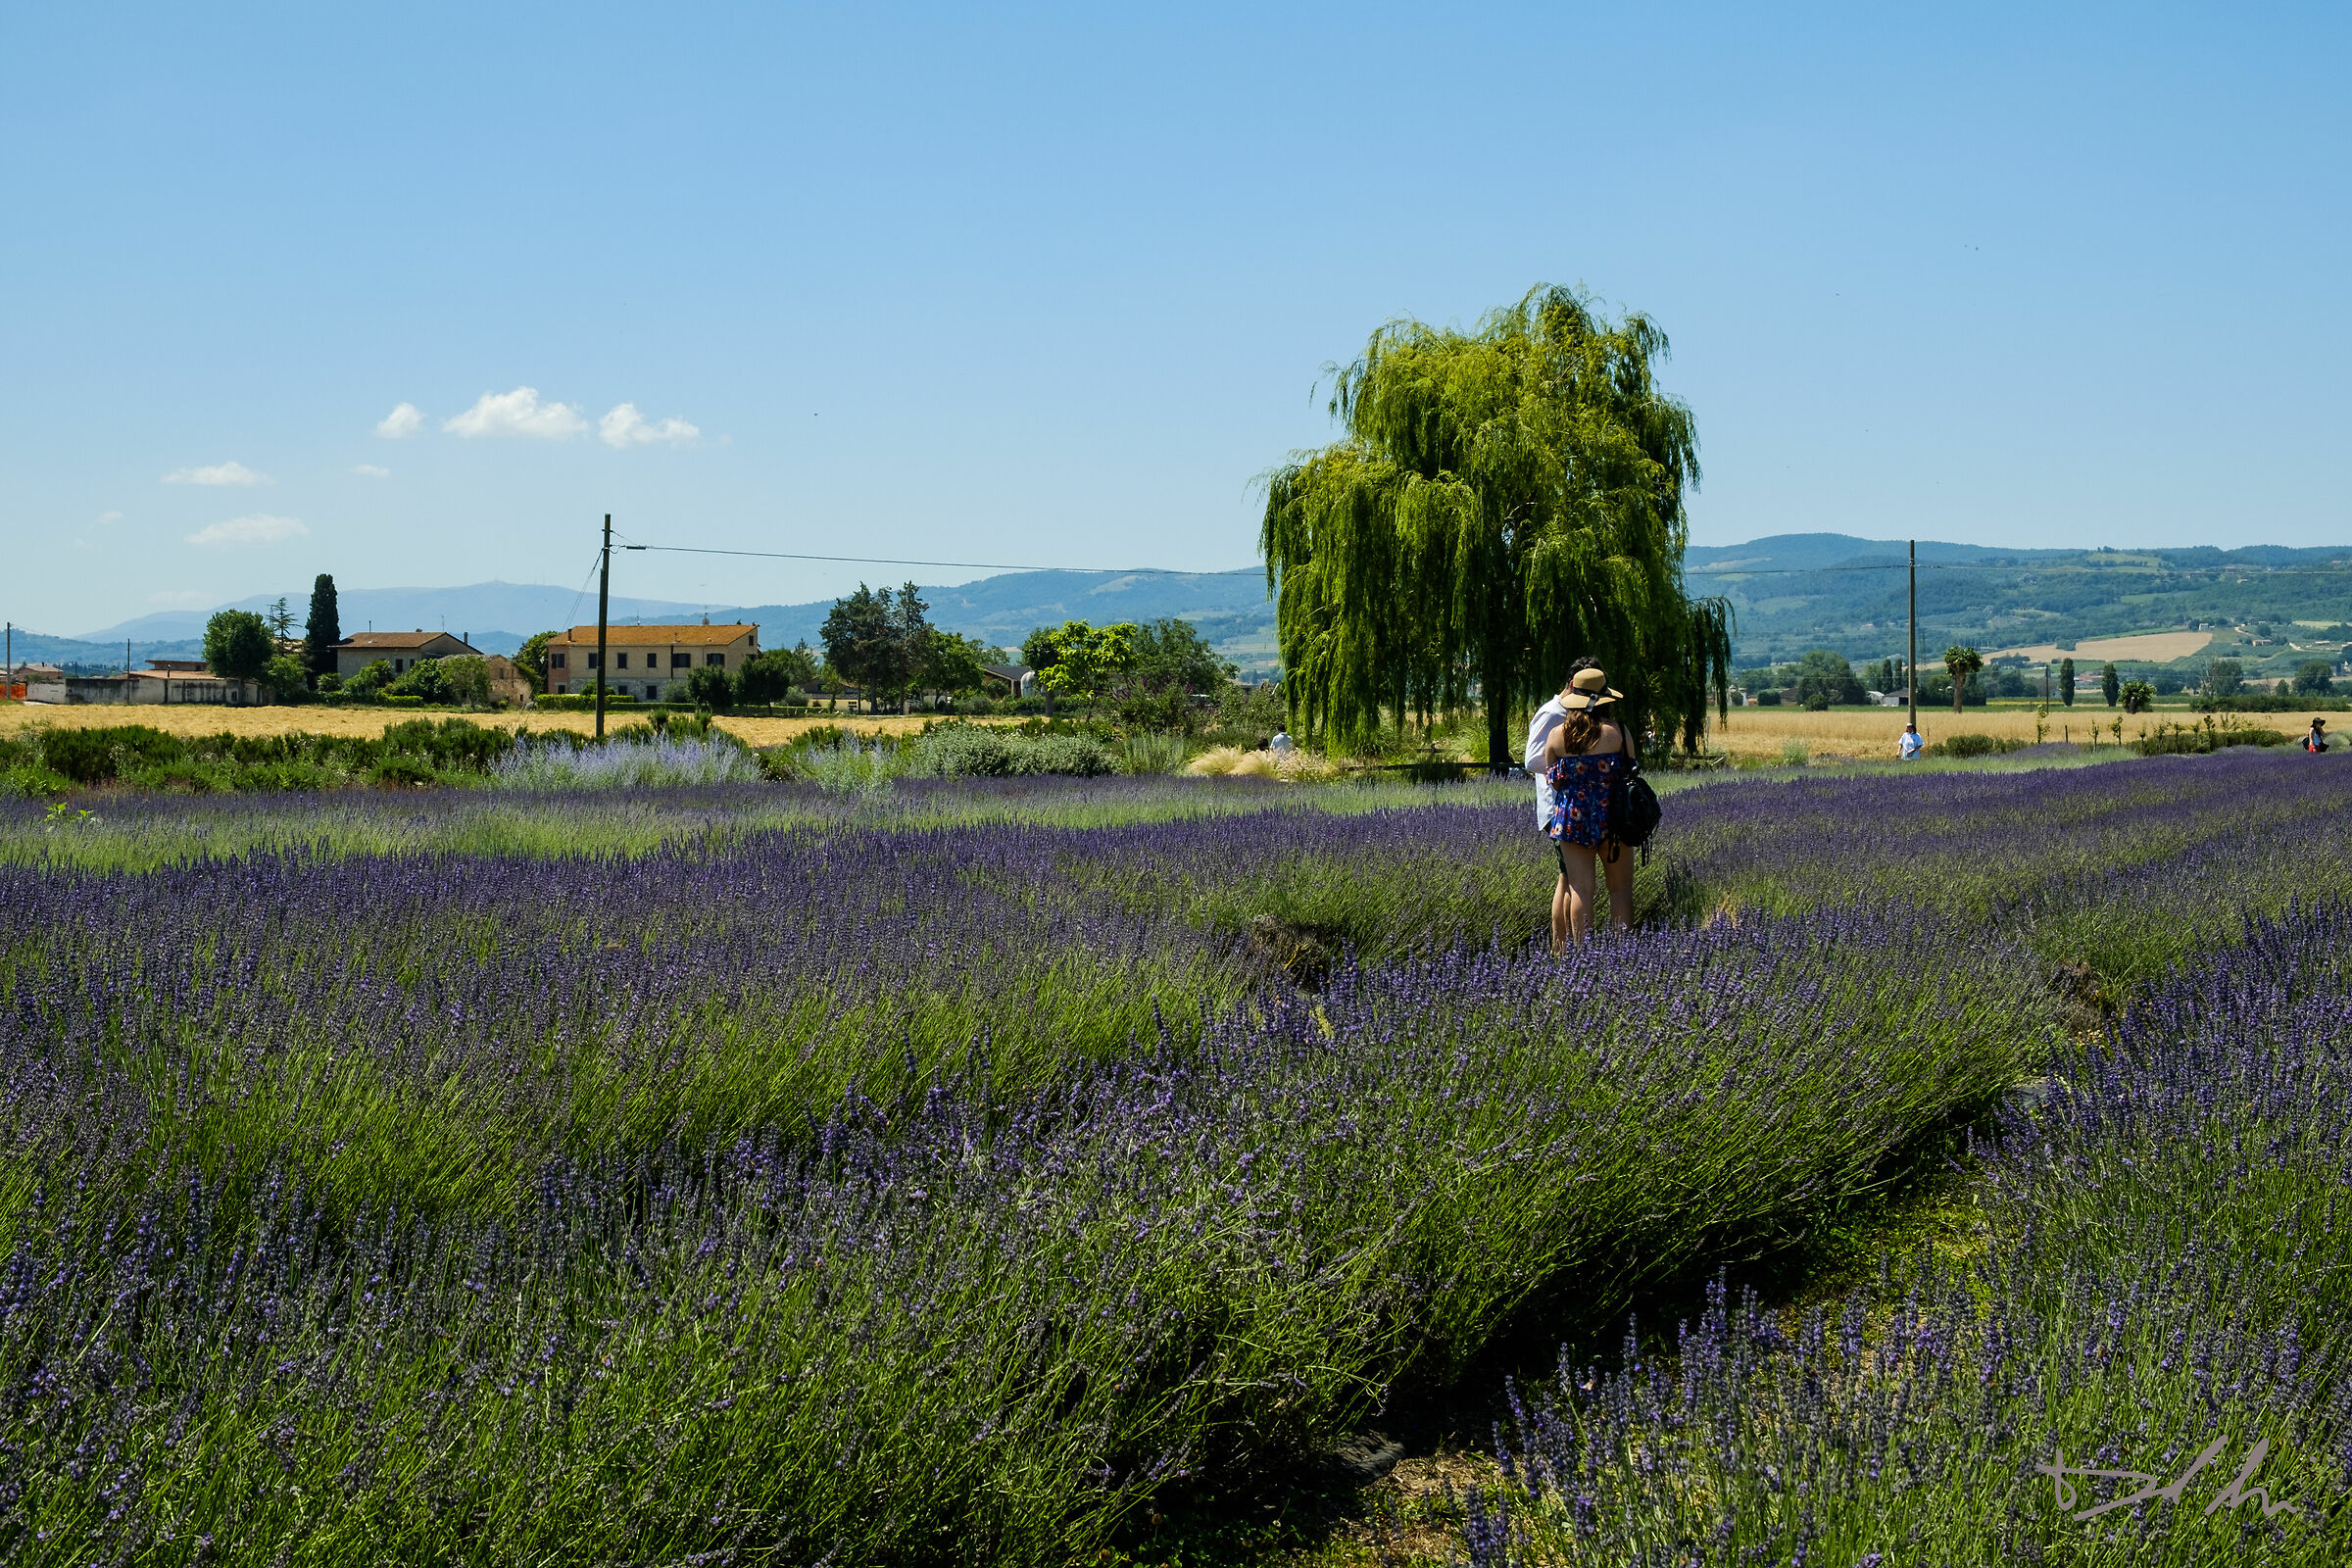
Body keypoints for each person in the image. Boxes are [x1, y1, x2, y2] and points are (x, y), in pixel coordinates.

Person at [1534, 665, 1634, 950]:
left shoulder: (1557, 736)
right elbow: (1631, 772)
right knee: (1620, 888)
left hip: (1572, 820)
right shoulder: (1619, 733)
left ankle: (1582, 956)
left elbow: (1553, 781)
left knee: (1580, 889)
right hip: (1615, 820)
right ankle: (1623, 953)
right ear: (1605, 699)